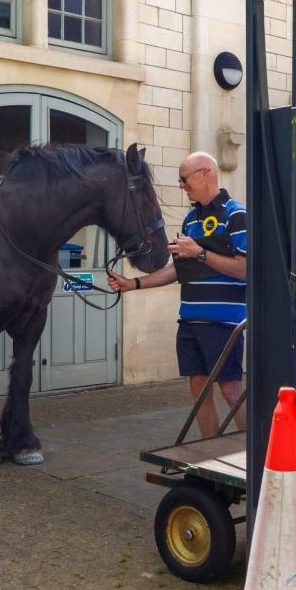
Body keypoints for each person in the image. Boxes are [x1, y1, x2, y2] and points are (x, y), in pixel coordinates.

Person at [107, 151, 247, 439]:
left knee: (231, 389)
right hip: (190, 321)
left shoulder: (236, 215)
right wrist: (132, 284)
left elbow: (244, 270)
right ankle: (212, 450)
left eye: (184, 179)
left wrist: (200, 253)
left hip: (224, 324)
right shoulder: (190, 220)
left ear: (205, 173)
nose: (182, 186)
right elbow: (178, 270)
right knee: (198, 387)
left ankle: (254, 459)